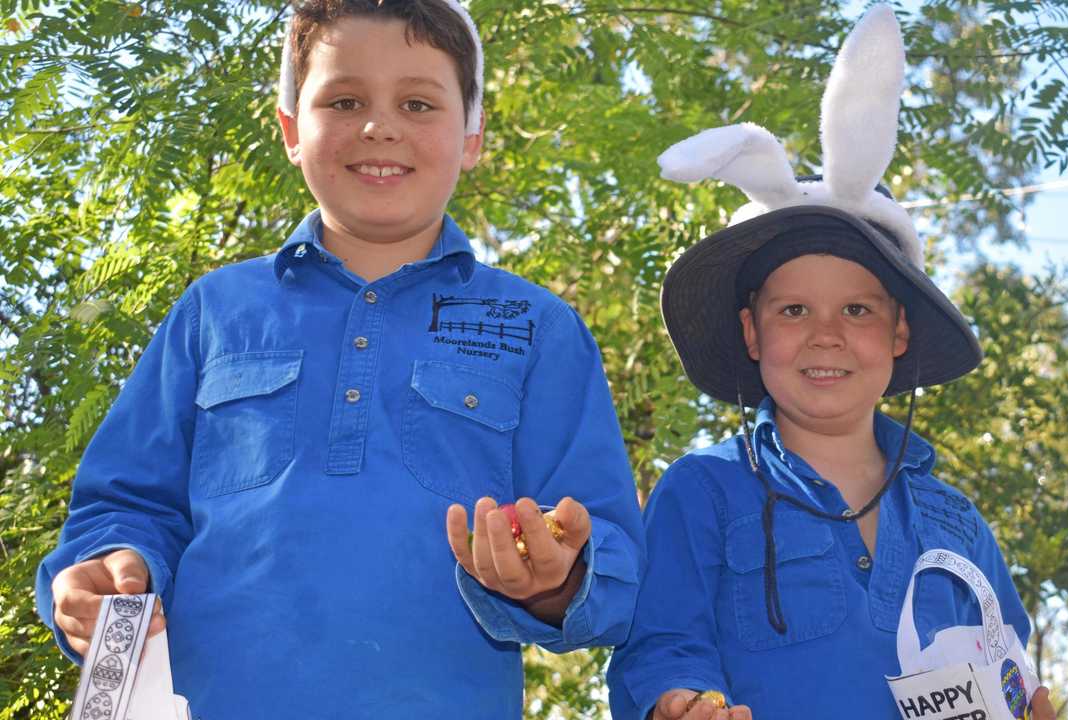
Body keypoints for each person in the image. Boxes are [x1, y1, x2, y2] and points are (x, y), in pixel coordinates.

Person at [35, 2, 642, 717]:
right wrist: (111, 568)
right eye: (344, 99)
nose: (379, 126)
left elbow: (611, 560)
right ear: (292, 130)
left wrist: (553, 580)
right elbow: (126, 505)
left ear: (472, 135)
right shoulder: (214, 311)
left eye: (417, 102)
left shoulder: (538, 327)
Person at [606, 6, 1054, 719]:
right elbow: (660, 644)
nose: (826, 336)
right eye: (792, 311)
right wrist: (676, 701)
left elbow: (1013, 666)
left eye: (857, 310)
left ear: (901, 332)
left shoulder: (959, 521)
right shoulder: (703, 491)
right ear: (751, 334)